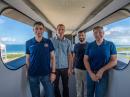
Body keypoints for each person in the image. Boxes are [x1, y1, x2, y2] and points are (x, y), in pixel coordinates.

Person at [84, 26, 117, 97]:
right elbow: (85, 60)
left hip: (103, 75)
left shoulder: (110, 45)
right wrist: (90, 73)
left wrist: (102, 70)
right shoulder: (90, 45)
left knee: (100, 95)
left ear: (103, 33)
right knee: (89, 94)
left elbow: (114, 61)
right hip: (90, 74)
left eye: (100, 32)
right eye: (95, 32)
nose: (98, 34)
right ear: (93, 34)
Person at [26, 21, 56, 97]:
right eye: (36, 29)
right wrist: (27, 71)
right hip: (33, 75)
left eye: (40, 29)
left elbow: (53, 57)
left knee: (50, 94)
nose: (38, 31)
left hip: (46, 74)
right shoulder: (28, 42)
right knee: (35, 95)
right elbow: (27, 59)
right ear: (33, 30)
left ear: (43, 30)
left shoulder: (48, 42)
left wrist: (53, 72)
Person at [51, 24, 72, 97]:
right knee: (55, 86)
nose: (60, 31)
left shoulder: (68, 42)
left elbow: (69, 55)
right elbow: (49, 54)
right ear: (56, 30)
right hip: (54, 68)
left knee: (65, 86)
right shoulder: (51, 40)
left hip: (65, 68)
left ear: (64, 30)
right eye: (59, 29)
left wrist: (70, 68)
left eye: (62, 29)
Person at [73, 31, 88, 97]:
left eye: (82, 35)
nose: (81, 37)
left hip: (86, 69)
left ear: (85, 36)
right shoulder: (76, 45)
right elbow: (74, 56)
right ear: (78, 36)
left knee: (86, 85)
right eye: (79, 35)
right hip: (77, 68)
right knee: (78, 84)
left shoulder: (89, 45)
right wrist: (73, 67)